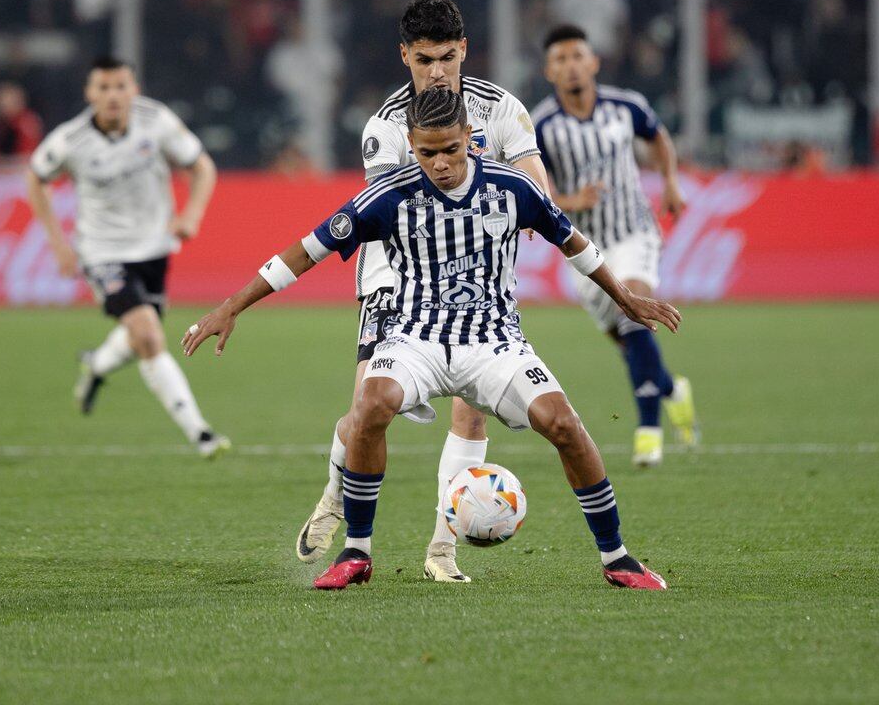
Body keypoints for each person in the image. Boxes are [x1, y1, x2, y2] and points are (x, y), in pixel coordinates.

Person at [183, 87, 676, 591]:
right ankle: (357, 552)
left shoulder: (512, 188)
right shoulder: (387, 196)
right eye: (426, 152)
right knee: (370, 404)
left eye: (450, 150)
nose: (439, 164)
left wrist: (625, 298)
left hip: (494, 341)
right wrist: (232, 305)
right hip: (414, 338)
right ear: (412, 145)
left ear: (470, 137)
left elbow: (573, 242)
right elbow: (306, 250)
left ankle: (617, 558)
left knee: (564, 424)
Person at [294, 0, 553, 584]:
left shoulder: (501, 109)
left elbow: (534, 179)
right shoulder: (386, 126)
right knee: (366, 412)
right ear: (404, 56)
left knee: (472, 416)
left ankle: (442, 549)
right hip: (397, 278)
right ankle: (335, 495)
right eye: (423, 60)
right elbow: (393, 209)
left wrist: (533, 204)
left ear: (463, 50)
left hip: (480, 282)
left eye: (446, 58)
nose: (436, 72)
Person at [26, 56, 230, 459]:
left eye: (120, 86)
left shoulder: (156, 121)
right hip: (102, 251)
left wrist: (191, 214)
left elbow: (203, 167)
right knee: (148, 335)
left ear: (133, 89)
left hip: (154, 247)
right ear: (90, 93)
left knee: (139, 334)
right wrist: (57, 243)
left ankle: (96, 365)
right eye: (103, 87)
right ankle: (201, 433)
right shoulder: (70, 140)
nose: (113, 96)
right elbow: (36, 177)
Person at [532, 25, 698, 467]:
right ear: (549, 71)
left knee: (634, 310)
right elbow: (537, 189)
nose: (571, 66)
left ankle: (648, 432)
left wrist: (670, 180)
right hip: (584, 250)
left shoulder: (627, 106)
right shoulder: (541, 126)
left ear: (593, 62)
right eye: (561, 59)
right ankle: (671, 390)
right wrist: (573, 201)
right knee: (628, 340)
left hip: (634, 231)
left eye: (577, 56)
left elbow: (658, 137)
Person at [0, 81, 43, 174]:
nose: (1, 104)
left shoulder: (27, 122)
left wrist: (4, 163)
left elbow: (30, 161)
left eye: (5, 100)